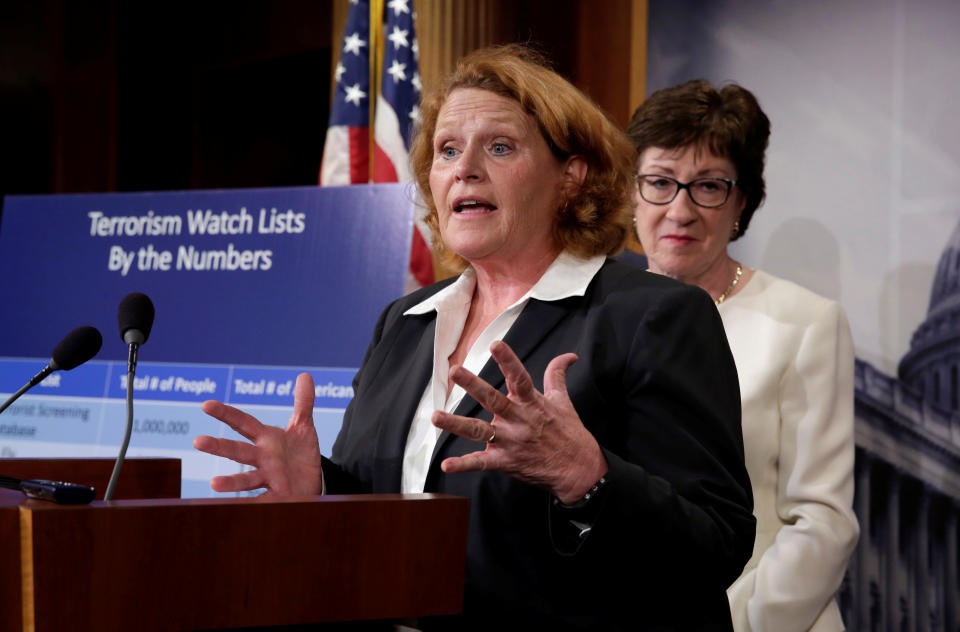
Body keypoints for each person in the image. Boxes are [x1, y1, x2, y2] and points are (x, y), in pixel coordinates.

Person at [195, 47, 755, 631]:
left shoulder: (652, 316)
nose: (465, 168)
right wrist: (323, 487)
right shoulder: (405, 322)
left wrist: (587, 479)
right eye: (447, 150)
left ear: (572, 175)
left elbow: (718, 541)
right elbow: (402, 500)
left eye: (500, 146)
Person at [627, 80, 859, 632]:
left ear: (742, 202)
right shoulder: (595, 318)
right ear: (630, 192)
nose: (680, 210)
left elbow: (823, 523)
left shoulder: (805, 323)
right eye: (660, 182)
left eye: (708, 187)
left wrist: (728, 623)